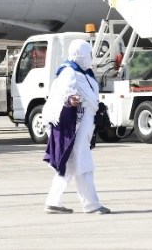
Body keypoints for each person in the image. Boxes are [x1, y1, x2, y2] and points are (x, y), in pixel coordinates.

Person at [43, 39, 110, 214]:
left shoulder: (85, 73)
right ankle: (92, 205)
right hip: (76, 126)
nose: (91, 58)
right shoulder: (69, 72)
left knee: (70, 163)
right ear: (80, 55)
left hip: (85, 124)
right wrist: (70, 100)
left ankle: (53, 201)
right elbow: (62, 95)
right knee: (83, 163)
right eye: (88, 54)